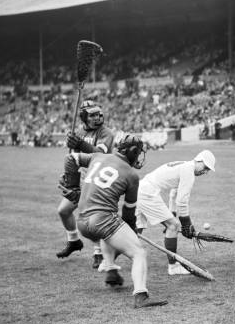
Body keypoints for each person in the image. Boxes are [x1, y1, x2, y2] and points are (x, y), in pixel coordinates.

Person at [62, 133, 168, 308]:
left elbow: (71, 158)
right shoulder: (131, 175)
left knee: (109, 233)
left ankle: (111, 270)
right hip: (102, 220)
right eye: (139, 152)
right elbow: (128, 213)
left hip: (82, 222)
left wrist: (72, 185)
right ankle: (141, 295)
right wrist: (132, 231)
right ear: (133, 152)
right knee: (139, 253)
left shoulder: (98, 156)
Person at [135, 150, 216, 276]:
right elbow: (182, 201)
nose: (205, 172)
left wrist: (172, 215)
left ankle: (107, 261)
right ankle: (173, 267)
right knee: (173, 226)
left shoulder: (184, 165)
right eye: (205, 167)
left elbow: (174, 194)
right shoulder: (189, 171)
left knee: (135, 230)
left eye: (208, 170)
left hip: (140, 188)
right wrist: (186, 223)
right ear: (199, 160)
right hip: (148, 193)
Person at [56, 100, 114, 269]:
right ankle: (74, 241)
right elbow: (73, 158)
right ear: (83, 117)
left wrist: (80, 144)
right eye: (92, 115)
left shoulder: (106, 133)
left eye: (99, 114)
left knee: (91, 216)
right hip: (80, 179)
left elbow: (100, 154)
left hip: (97, 180)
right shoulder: (79, 132)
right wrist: (68, 175)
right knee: (63, 211)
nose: (97, 118)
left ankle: (98, 252)